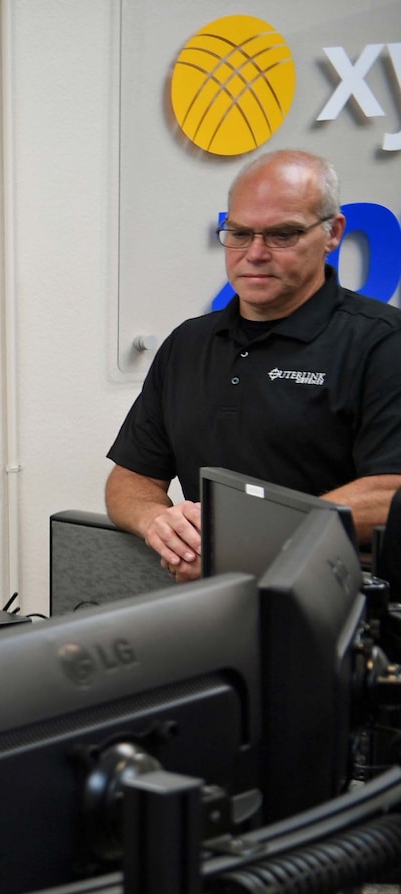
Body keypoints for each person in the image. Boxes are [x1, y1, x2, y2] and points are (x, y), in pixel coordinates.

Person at [107, 149, 401, 581]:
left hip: (338, 607)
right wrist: (157, 522)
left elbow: (389, 492)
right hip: (214, 607)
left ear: (333, 233)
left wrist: (242, 540)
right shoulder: (188, 343)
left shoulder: (382, 341)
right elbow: (129, 480)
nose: (255, 253)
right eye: (240, 233)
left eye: (282, 235)